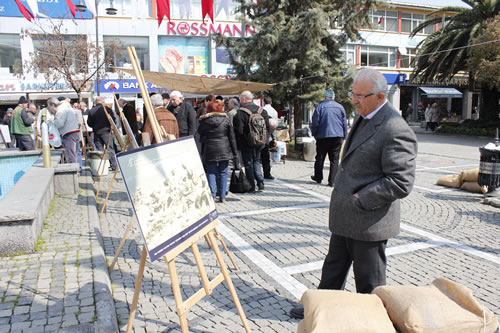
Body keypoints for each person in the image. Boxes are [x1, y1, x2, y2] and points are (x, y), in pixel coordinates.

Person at [290, 68, 417, 319]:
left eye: (360, 95)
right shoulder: (364, 115)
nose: (354, 100)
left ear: (380, 97)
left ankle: (370, 321)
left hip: (369, 219)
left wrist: (361, 199)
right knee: (333, 268)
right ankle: (320, 308)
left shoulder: (394, 127)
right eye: (353, 94)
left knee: (369, 282)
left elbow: (401, 181)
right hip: (346, 215)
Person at [198, 101, 238, 203]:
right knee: (223, 172)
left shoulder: (204, 120)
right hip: (224, 147)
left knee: (211, 171)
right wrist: (235, 153)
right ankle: (222, 195)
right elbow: (232, 138)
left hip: (210, 148)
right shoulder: (226, 120)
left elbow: (200, 133)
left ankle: (212, 194)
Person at [233, 90, 271, 192]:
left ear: (244, 99)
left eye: (241, 99)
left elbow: (239, 131)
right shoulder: (262, 111)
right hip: (260, 142)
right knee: (256, 161)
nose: (240, 101)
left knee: (249, 164)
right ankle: (260, 182)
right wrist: (264, 141)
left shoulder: (240, 113)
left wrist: (240, 143)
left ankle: (251, 185)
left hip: (246, 143)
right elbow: (267, 127)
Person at [310, 88, 347, 187]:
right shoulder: (340, 107)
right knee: (334, 159)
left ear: (325, 97)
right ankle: (332, 181)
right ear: (334, 97)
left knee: (320, 157)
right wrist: (344, 136)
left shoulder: (320, 107)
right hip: (337, 136)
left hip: (323, 135)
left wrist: (315, 134)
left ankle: (318, 177)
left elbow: (315, 122)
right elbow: (344, 123)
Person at [87, 96, 117, 171]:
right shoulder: (108, 109)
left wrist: (95, 125)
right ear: (103, 102)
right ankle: (114, 165)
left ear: (96, 102)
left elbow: (89, 123)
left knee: (100, 150)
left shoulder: (92, 111)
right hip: (107, 131)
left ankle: (102, 167)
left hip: (97, 132)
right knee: (110, 149)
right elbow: (113, 120)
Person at [48, 97, 81, 164]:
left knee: (70, 155)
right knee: (75, 154)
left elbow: (59, 124)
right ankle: (77, 170)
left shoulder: (61, 111)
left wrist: (52, 121)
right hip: (75, 131)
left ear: (53, 105)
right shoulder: (67, 108)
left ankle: (72, 171)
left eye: (49, 108)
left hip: (69, 133)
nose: (49, 110)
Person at [261, 96, 278, 180]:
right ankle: (267, 173)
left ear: (264, 102)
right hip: (268, 135)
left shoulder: (261, 110)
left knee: (258, 156)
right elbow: (274, 126)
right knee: (266, 156)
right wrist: (274, 138)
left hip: (260, 135)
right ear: (271, 102)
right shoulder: (274, 112)